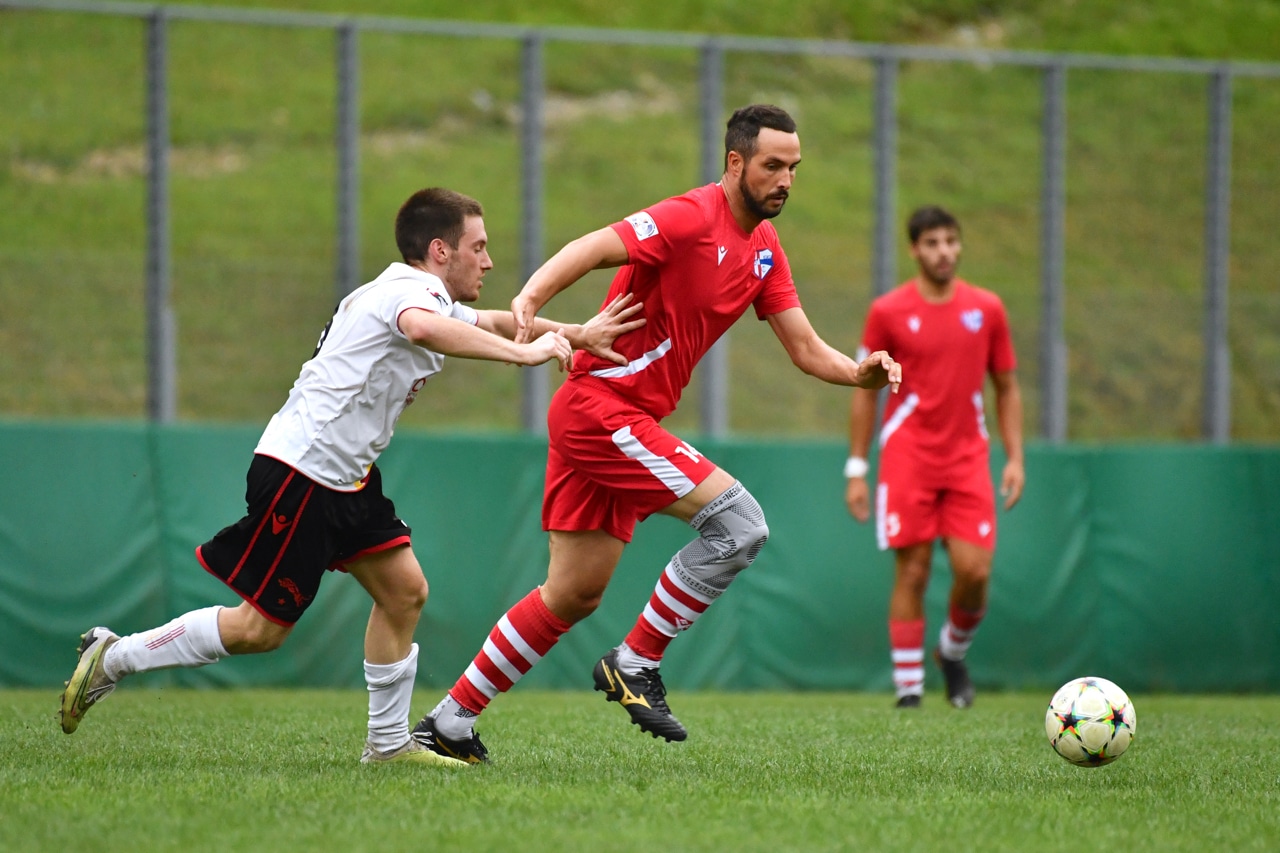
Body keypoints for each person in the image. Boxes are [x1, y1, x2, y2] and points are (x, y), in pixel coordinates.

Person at [58, 186, 644, 765]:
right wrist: (524, 355)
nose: (488, 261)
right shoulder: (409, 293)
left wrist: (575, 334)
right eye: (478, 247)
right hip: (303, 471)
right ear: (440, 251)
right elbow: (422, 329)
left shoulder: (418, 292)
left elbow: (490, 320)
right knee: (259, 630)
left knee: (404, 592)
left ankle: (387, 747)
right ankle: (114, 657)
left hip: (346, 477)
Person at [408, 104, 902, 764]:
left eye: (793, 168)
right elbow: (594, 246)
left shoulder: (764, 250)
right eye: (772, 166)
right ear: (735, 162)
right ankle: (635, 662)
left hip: (613, 418)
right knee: (740, 524)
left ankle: (449, 722)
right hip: (601, 411)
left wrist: (859, 374)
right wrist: (530, 296)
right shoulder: (690, 217)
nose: (786, 180)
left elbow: (807, 348)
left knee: (572, 593)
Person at [844, 205, 1024, 709]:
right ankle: (909, 692)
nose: (944, 251)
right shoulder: (888, 311)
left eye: (950, 240)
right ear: (914, 250)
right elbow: (864, 391)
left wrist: (1015, 457)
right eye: (932, 243)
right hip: (909, 456)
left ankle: (951, 653)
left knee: (975, 571)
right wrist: (856, 469)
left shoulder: (987, 308)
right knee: (913, 571)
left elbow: (1007, 387)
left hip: (967, 457)